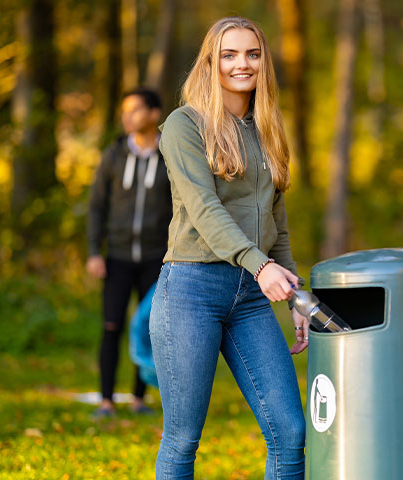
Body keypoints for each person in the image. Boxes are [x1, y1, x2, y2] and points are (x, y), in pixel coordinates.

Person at [150, 17, 308, 479]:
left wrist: (294, 293)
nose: (243, 64)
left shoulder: (267, 129)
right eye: (230, 54)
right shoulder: (184, 125)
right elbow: (204, 208)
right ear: (211, 62)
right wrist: (262, 268)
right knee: (182, 439)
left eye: (253, 54)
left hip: (252, 297)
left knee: (290, 431)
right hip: (190, 290)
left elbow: (277, 220)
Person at [87, 87, 172, 417]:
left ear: (154, 114)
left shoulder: (169, 154)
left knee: (149, 326)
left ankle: (139, 399)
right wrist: (95, 251)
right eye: (125, 111)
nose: (127, 117)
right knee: (111, 326)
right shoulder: (114, 155)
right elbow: (96, 207)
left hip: (157, 257)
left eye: (135, 110)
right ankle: (106, 400)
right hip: (117, 258)